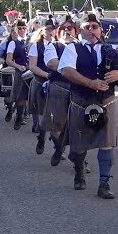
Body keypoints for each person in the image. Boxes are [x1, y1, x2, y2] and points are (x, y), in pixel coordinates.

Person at [59, 13, 118, 198]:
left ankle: (104, 183)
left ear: (101, 30)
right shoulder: (72, 48)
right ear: (80, 31)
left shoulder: (111, 50)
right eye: (87, 27)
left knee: (107, 144)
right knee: (79, 144)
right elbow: (66, 71)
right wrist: (90, 83)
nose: (91, 30)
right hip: (81, 102)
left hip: (105, 102)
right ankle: (79, 171)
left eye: (94, 27)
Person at [44, 20, 77, 167]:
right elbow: (52, 63)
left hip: (79, 89)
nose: (66, 30)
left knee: (79, 127)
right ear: (58, 32)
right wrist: (74, 70)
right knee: (56, 126)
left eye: (70, 28)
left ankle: (80, 162)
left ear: (75, 31)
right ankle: (59, 148)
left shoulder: (81, 47)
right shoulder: (53, 46)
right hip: (58, 88)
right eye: (63, 28)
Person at [27, 20, 57, 155]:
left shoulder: (59, 45)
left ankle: (58, 147)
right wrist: (47, 75)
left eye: (52, 29)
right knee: (42, 115)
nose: (50, 32)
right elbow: (32, 66)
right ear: (42, 31)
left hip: (57, 84)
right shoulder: (36, 46)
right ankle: (41, 137)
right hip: (40, 82)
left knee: (59, 116)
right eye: (47, 29)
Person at [3, 20, 31, 128]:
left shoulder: (32, 41)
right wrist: (19, 66)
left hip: (32, 71)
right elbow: (8, 60)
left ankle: (36, 123)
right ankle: (18, 116)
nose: (22, 30)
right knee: (19, 95)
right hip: (20, 71)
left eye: (24, 28)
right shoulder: (13, 43)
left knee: (33, 95)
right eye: (19, 28)